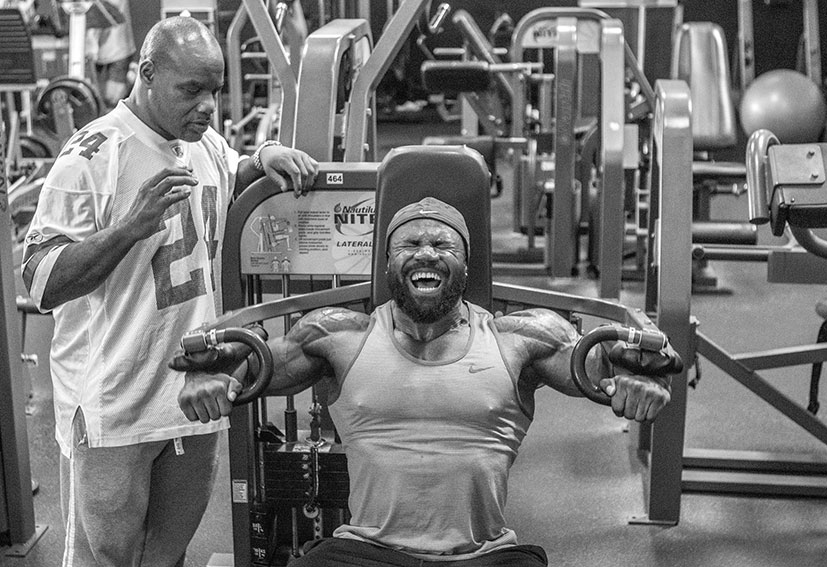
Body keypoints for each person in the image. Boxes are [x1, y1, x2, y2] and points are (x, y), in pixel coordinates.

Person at [173, 197, 676, 566]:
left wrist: (634, 376)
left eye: (443, 244)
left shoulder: (520, 337)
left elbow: (595, 368)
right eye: (410, 244)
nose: (427, 253)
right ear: (388, 264)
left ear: (465, 262)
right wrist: (216, 375)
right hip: (363, 552)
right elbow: (256, 366)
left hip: (485, 557)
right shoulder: (339, 335)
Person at [21, 16, 318, 567]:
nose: (208, 106)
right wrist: (129, 227)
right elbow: (40, 280)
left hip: (190, 393)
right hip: (115, 404)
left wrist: (266, 155)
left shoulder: (202, 145)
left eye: (214, 91)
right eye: (191, 91)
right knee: (109, 560)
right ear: (147, 73)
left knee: (166, 556)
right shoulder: (90, 156)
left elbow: (236, 170)